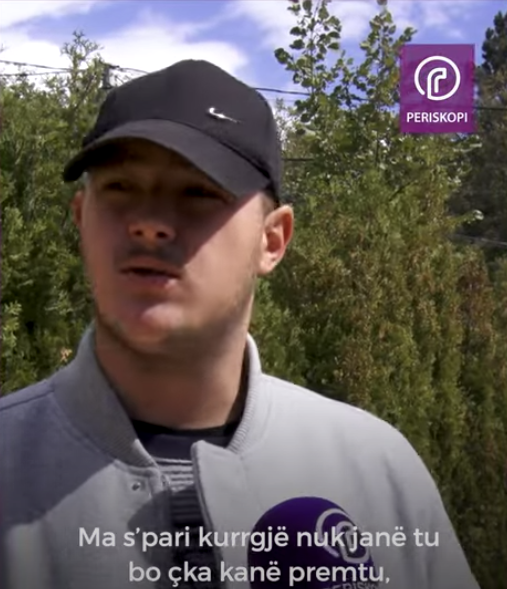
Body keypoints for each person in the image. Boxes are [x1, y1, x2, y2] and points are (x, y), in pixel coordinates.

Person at [0, 60, 479, 589]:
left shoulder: (377, 470)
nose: (150, 223)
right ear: (81, 219)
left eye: (199, 192)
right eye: (120, 186)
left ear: (272, 241)